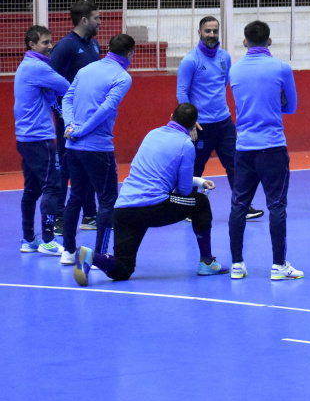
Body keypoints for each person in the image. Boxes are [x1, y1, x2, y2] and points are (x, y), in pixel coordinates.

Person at [71, 103, 224, 286]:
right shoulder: (186, 145)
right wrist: (196, 185)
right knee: (200, 202)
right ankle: (207, 262)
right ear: (193, 126)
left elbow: (158, 172)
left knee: (123, 270)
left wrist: (198, 181)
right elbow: (183, 191)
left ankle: (91, 257)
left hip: (124, 208)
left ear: (170, 117)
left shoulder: (152, 134)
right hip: (153, 206)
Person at [228, 21, 302, 280]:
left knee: (238, 205)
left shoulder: (234, 70)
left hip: (244, 147)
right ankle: (278, 265)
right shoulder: (281, 68)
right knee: (277, 206)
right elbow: (291, 107)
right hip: (272, 147)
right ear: (269, 41)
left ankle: (237, 264)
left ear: (245, 41)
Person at [176, 16, 263, 220]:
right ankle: (189, 208)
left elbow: (222, 84)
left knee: (236, 164)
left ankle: (243, 205)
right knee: (195, 166)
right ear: (199, 33)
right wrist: (190, 121)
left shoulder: (225, 57)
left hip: (223, 122)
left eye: (215, 31)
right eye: (207, 31)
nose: (212, 35)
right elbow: (182, 92)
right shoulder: (190, 60)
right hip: (200, 125)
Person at [61, 33, 135, 259]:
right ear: (130, 53)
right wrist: (81, 130)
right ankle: (100, 256)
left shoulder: (85, 70)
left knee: (75, 197)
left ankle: (68, 251)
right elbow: (106, 108)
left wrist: (70, 126)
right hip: (98, 149)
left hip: (72, 146)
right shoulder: (122, 77)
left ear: (108, 49)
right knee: (107, 200)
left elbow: (66, 99)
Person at [14, 26, 70, 258]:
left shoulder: (27, 66)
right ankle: (47, 240)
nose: (50, 46)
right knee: (53, 187)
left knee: (32, 189)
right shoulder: (38, 68)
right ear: (31, 45)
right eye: (45, 43)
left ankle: (29, 239)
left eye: (50, 42)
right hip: (40, 139)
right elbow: (68, 87)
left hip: (26, 139)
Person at [49, 0, 101, 235]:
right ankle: (60, 217)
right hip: (69, 120)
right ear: (84, 20)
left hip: (89, 119)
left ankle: (89, 215)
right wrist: (63, 117)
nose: (99, 22)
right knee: (67, 166)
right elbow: (50, 84)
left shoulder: (94, 45)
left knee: (88, 163)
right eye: (96, 18)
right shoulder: (66, 46)